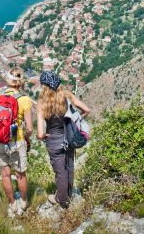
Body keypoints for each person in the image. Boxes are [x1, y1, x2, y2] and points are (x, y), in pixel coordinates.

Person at [36, 70, 90, 208]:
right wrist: (75, 123)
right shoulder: (67, 96)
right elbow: (86, 110)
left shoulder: (42, 103)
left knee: (60, 172)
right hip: (69, 138)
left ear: (44, 86)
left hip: (54, 142)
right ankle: (69, 194)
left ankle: (62, 200)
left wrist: (42, 137)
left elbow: (40, 133)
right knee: (70, 167)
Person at [0, 67, 33, 217]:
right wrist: (26, 139)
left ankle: (12, 203)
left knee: (5, 174)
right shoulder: (24, 100)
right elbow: (30, 128)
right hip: (16, 142)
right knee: (20, 175)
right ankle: (23, 202)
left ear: (8, 80)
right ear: (20, 83)